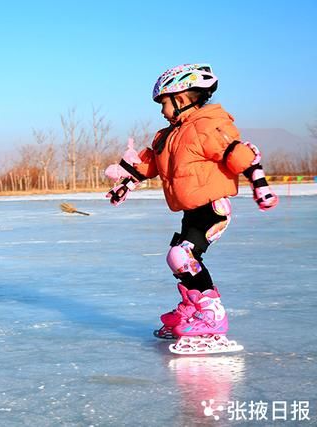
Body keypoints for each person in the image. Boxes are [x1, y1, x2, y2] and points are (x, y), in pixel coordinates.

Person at [104, 63, 278, 354]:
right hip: (190, 211)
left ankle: (212, 314)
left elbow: (238, 154)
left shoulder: (207, 127)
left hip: (213, 207)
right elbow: (150, 164)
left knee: (181, 255)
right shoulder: (169, 136)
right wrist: (125, 183)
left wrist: (260, 184)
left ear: (182, 99)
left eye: (164, 104)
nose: (161, 111)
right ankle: (192, 306)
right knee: (182, 257)